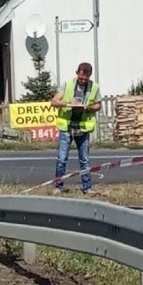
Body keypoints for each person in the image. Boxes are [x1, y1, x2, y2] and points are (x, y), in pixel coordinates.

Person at [50, 62, 101, 194]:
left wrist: (89, 107)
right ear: (77, 72)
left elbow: (98, 106)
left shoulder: (94, 87)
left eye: (86, 78)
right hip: (67, 127)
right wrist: (68, 104)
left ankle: (87, 187)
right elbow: (54, 101)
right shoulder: (68, 84)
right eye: (81, 77)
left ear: (89, 75)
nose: (83, 80)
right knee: (62, 159)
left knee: (84, 160)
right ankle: (58, 186)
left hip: (83, 128)